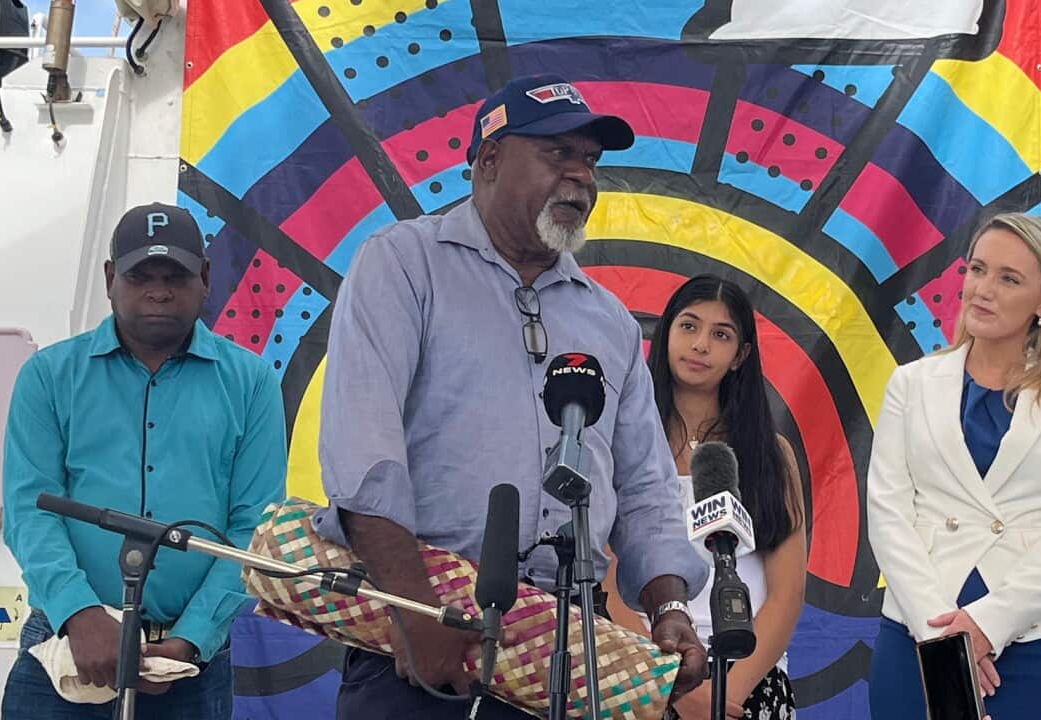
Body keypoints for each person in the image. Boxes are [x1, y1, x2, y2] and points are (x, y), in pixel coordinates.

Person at [315, 73, 711, 718]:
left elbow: (644, 488)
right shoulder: (404, 264)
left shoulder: (607, 320)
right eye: (559, 153)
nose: (581, 176)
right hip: (425, 626)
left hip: (572, 645)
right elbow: (365, 453)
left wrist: (668, 606)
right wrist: (419, 609)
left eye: (590, 160)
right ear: (489, 159)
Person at [1, 202, 289, 719]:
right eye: (141, 275)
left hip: (189, 668)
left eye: (175, 275)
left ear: (204, 277)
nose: (158, 290)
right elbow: (30, 511)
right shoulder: (47, 377)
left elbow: (254, 529)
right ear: (111, 278)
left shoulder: (252, 384)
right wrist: (81, 614)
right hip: (64, 653)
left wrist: (192, 639)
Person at [867, 213, 1041, 719]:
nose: (982, 288)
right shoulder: (910, 386)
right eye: (978, 269)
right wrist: (945, 639)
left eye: (1008, 278)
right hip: (919, 632)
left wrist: (985, 626)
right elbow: (887, 516)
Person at [605, 275, 807, 720]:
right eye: (689, 326)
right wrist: (672, 688)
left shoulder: (773, 455)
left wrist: (723, 696)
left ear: (741, 356)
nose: (701, 345)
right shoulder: (623, 445)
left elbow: (787, 593)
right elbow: (609, 585)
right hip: (645, 674)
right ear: (665, 336)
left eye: (721, 335)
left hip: (746, 683)